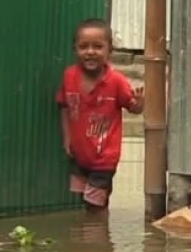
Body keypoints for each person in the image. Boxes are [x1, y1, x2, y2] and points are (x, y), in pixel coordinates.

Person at [56, 18, 144, 211]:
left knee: (95, 204)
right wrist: (67, 138)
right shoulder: (69, 76)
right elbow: (63, 106)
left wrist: (139, 104)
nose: (90, 52)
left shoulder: (116, 82)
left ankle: (98, 237)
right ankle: (92, 236)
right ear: (75, 49)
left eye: (97, 46)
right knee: (82, 199)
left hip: (105, 157)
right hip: (79, 153)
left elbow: (134, 109)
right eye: (83, 46)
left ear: (109, 50)